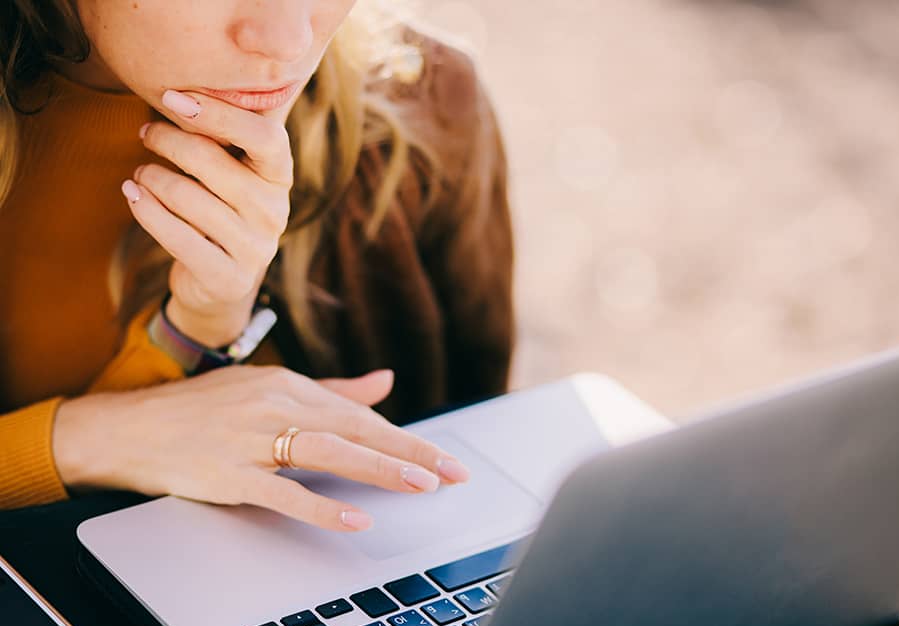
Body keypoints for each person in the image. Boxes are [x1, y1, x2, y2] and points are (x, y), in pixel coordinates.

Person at [0, 0, 515, 532]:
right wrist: (83, 441)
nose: (290, 41)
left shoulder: (423, 100)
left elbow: (483, 476)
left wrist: (199, 328)